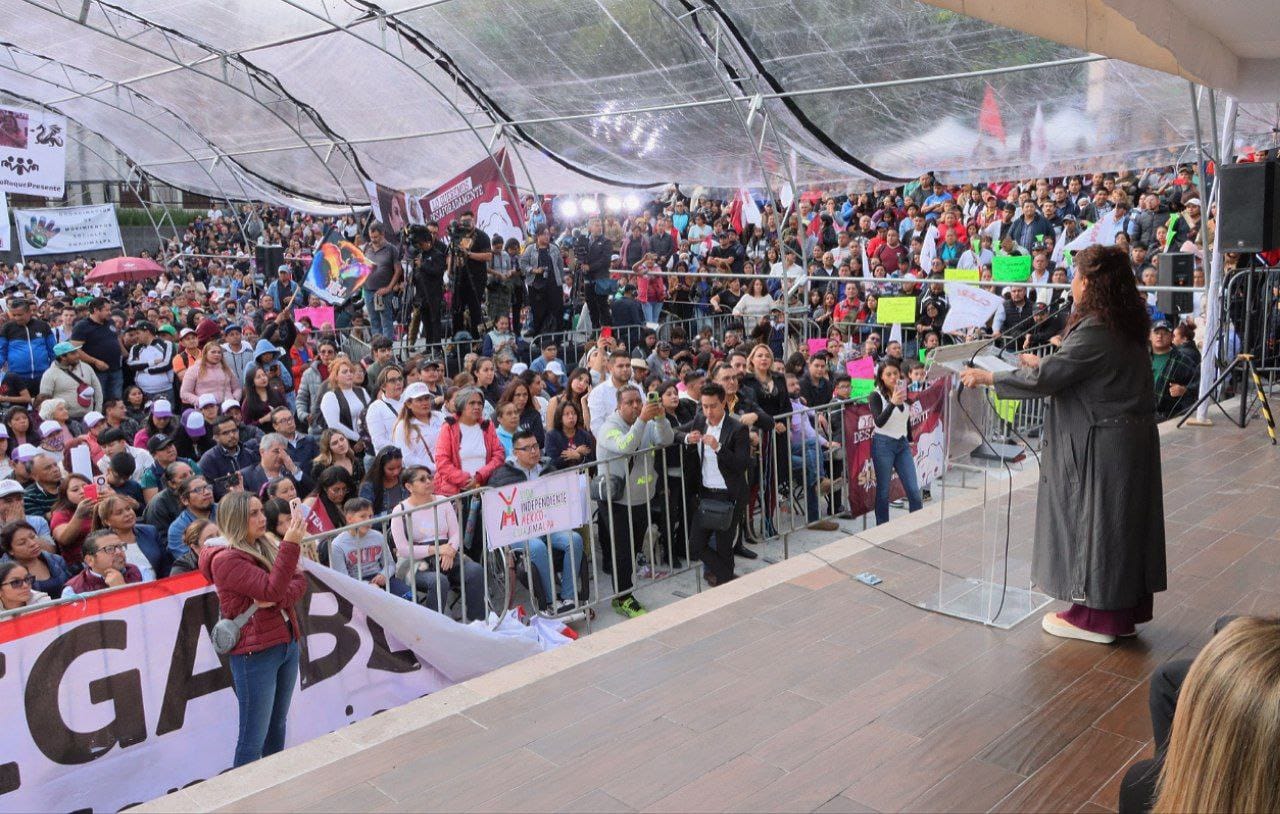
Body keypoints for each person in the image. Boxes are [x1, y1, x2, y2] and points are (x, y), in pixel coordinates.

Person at [961, 244, 1165, 643]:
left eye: (1075, 277)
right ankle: (1117, 612)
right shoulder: (1122, 320)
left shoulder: (1095, 328)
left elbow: (1048, 381)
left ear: (1090, 283)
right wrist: (1049, 364)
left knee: (1097, 524)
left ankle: (1097, 618)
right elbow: (1080, 371)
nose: (1071, 284)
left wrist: (989, 378)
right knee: (1120, 527)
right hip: (1124, 439)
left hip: (1102, 446)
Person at [201, 491, 307, 768]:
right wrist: (291, 546)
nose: (262, 518)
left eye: (261, 511)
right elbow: (274, 587)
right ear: (235, 518)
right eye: (253, 513)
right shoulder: (226, 559)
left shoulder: (265, 543)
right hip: (255, 653)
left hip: (286, 643)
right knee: (252, 738)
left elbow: (298, 581)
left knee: (277, 726)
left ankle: (274, 786)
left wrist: (277, 596)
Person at [597, 387, 674, 617]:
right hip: (618, 501)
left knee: (632, 550)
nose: (635, 406)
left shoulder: (648, 422)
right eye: (629, 402)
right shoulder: (608, 428)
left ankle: (622, 594)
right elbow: (625, 446)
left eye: (638, 401)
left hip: (642, 498)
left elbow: (666, 439)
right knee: (622, 551)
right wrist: (642, 419)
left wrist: (660, 418)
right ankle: (623, 597)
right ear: (619, 405)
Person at [489, 430, 585, 613]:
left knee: (574, 540)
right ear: (515, 452)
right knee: (537, 547)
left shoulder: (548, 468)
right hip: (518, 531)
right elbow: (496, 509)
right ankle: (550, 601)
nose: (534, 451)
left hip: (548, 524)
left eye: (535, 446)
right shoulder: (502, 475)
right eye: (527, 448)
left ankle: (569, 596)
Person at [675, 382, 751, 586]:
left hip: (729, 494)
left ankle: (726, 582)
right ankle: (727, 577)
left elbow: (741, 464)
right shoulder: (700, 420)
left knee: (725, 545)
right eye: (704, 406)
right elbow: (676, 432)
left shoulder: (738, 428)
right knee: (696, 544)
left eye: (713, 406)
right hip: (706, 493)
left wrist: (718, 448)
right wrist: (687, 438)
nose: (708, 411)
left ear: (724, 403)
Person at [388, 466, 486, 620]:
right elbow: (403, 548)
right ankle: (435, 628)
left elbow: (455, 533)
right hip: (415, 562)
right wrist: (437, 550)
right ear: (408, 486)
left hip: (447, 553)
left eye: (429, 477)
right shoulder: (399, 510)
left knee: (475, 570)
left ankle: (478, 623)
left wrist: (451, 551)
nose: (428, 481)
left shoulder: (442, 501)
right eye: (422, 479)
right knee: (438, 581)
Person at [867, 359, 924, 525]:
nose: (893, 377)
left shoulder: (903, 391)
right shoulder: (875, 395)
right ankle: (882, 527)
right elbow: (879, 421)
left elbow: (905, 418)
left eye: (895, 373)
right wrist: (892, 403)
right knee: (884, 491)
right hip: (883, 445)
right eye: (888, 374)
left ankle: (917, 524)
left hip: (902, 444)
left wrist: (910, 439)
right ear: (882, 377)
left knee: (913, 490)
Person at [328, 497, 412, 599]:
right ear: (349, 519)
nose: (368, 520)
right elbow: (343, 578)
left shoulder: (378, 536)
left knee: (410, 596)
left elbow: (390, 564)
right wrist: (366, 585)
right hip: (355, 584)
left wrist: (384, 575)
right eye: (363, 516)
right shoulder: (337, 545)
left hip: (379, 577)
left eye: (370, 516)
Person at [433, 387, 504, 498]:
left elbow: (498, 455)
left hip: (483, 488)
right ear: (461, 405)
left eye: (480, 403)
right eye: (472, 403)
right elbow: (442, 461)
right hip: (455, 494)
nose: (477, 407)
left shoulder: (487, 426)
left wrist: (479, 477)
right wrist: (465, 480)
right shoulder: (448, 427)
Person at [93, 494, 166, 580]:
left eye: (128, 509)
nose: (127, 514)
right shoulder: (102, 544)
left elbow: (165, 565)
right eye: (119, 513)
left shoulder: (150, 531)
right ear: (107, 521)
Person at [70, 296, 124, 401]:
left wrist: (124, 353)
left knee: (117, 399)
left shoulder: (110, 322)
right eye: (107, 310)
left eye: (110, 310)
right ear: (96, 310)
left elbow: (115, 339)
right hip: (97, 372)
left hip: (116, 369)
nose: (110, 312)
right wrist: (95, 362)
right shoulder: (82, 326)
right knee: (100, 399)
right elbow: (75, 350)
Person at [61, 529, 144, 597]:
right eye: (109, 549)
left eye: (120, 546)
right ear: (90, 560)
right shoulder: (72, 591)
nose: (119, 552)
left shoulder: (141, 572)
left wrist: (123, 588)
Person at [0, 519, 71, 597]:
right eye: (22, 543)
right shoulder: (4, 573)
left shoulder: (57, 560)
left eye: (33, 537)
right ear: (10, 550)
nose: (32, 543)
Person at [0, 298, 57, 394]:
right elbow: (1, 352)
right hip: (17, 378)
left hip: (42, 376)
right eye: (14, 315)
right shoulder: (7, 328)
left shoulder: (43, 326)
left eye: (20, 315)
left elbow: (53, 351)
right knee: (17, 407)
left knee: (42, 406)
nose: (17, 318)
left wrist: (54, 370)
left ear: (29, 312)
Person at [317, 358, 369, 454]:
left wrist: (365, 438)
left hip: (367, 442)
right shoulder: (330, 396)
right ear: (335, 376)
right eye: (345, 372)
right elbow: (334, 425)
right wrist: (359, 438)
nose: (349, 374)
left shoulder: (362, 391)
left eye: (350, 371)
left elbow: (371, 414)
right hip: (346, 446)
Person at [40, 342, 104, 421]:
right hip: (65, 420)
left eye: (77, 352)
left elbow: (98, 391)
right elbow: (45, 401)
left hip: (89, 418)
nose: (77, 355)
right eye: (73, 353)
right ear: (63, 357)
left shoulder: (86, 368)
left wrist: (98, 412)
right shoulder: (49, 374)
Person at [199, 414, 256, 500]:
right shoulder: (208, 460)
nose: (232, 435)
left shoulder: (250, 455)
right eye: (226, 433)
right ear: (216, 438)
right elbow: (211, 492)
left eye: (234, 431)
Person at [392, 382, 444, 472]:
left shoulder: (440, 417)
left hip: (447, 473)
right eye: (419, 400)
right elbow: (407, 458)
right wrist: (435, 467)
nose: (425, 403)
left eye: (427, 398)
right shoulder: (402, 426)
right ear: (409, 404)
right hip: (423, 478)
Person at [167, 475, 217, 560]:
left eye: (208, 487)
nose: (207, 492)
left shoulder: (226, 510)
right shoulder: (178, 528)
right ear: (184, 500)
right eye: (198, 490)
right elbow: (188, 560)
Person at [180, 341, 242, 407]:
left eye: (219, 352)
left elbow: (237, 388)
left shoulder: (227, 369)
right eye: (213, 352)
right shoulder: (194, 369)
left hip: (228, 408)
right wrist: (200, 402)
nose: (217, 354)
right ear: (205, 354)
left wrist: (234, 400)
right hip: (207, 410)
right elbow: (184, 393)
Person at [544, 400, 595, 471]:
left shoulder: (585, 435)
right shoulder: (551, 436)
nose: (571, 417)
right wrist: (576, 452)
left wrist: (579, 457)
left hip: (582, 476)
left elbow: (592, 463)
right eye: (567, 414)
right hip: (560, 477)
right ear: (560, 417)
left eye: (574, 413)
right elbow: (552, 463)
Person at [364, 365, 406, 454]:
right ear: (383, 386)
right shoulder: (376, 408)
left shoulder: (409, 400)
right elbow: (379, 441)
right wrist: (404, 449)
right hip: (393, 458)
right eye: (392, 380)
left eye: (400, 379)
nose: (398, 383)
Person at [359, 447, 406, 518]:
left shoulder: (406, 477)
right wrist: (392, 513)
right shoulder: (368, 486)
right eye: (391, 469)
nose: (396, 472)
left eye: (399, 467)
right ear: (381, 468)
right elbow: (365, 518)